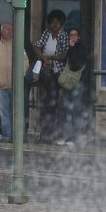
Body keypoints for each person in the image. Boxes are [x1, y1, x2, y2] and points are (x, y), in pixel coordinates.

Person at [0, 23, 29, 142]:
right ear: (1, 31)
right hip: (0, 85)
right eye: (7, 29)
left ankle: (17, 136)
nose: (9, 31)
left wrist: (20, 75)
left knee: (16, 112)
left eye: (11, 29)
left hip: (16, 86)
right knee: (3, 112)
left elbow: (25, 62)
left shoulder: (19, 45)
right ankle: (7, 135)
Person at [33, 10, 69, 144]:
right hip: (45, 72)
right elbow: (36, 46)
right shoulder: (46, 34)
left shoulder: (63, 36)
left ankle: (53, 133)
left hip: (57, 74)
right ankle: (43, 133)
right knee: (44, 104)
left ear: (61, 24)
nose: (55, 25)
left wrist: (51, 58)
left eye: (57, 22)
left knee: (54, 106)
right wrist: (43, 57)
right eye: (52, 22)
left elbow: (65, 55)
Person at [56, 28, 88, 147]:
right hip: (68, 83)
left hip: (77, 83)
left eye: (75, 35)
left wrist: (72, 48)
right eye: (71, 35)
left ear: (78, 37)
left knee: (75, 111)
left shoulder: (80, 49)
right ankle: (66, 136)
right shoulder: (70, 49)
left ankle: (74, 137)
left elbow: (75, 65)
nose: (73, 37)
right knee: (64, 110)